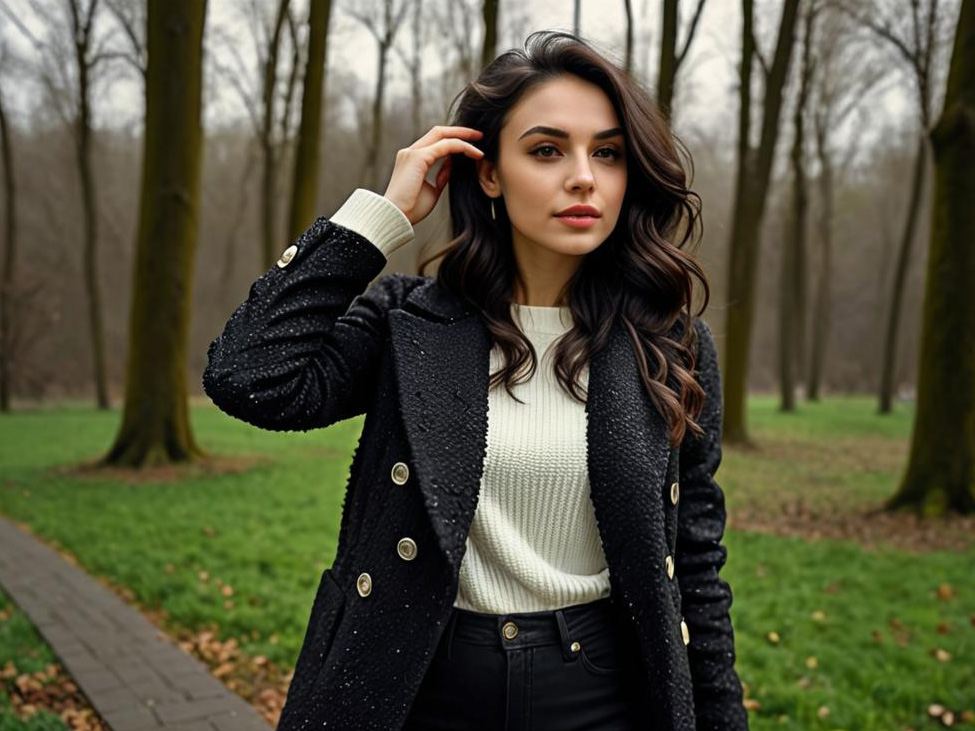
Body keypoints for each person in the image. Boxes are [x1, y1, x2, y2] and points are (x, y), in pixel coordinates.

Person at [203, 29, 748, 731]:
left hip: (602, 694)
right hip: (413, 682)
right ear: (488, 172)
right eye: (547, 150)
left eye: (607, 152)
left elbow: (695, 568)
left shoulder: (670, 346)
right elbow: (249, 375)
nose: (582, 176)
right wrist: (378, 219)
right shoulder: (408, 323)